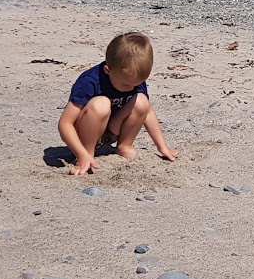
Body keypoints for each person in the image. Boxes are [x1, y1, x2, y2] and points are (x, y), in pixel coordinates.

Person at [57, 30, 179, 175]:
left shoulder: (132, 81)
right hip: (86, 132)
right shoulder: (89, 81)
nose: (131, 88)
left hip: (112, 129)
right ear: (108, 70)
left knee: (141, 101)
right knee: (101, 104)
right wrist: (81, 153)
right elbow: (65, 124)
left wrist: (162, 146)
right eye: (126, 85)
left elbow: (147, 111)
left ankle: (124, 146)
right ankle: (87, 154)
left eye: (137, 83)